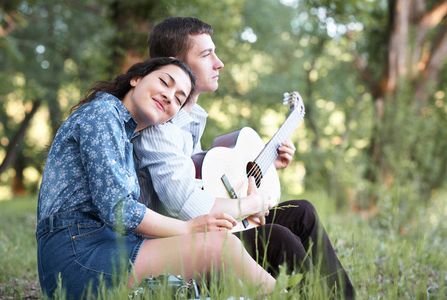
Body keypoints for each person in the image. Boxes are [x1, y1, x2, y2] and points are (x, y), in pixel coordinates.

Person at [133, 17, 355, 299]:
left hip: (210, 228)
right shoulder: (160, 127)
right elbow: (189, 207)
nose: (219, 63)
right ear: (175, 63)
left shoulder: (188, 121)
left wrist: (264, 169)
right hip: (179, 244)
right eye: (206, 54)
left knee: (302, 212)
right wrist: (251, 203)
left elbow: (204, 181)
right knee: (278, 237)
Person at [36, 57, 277, 299]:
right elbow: (119, 209)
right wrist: (188, 228)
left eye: (179, 98)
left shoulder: (125, 134)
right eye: (164, 82)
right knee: (221, 247)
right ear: (136, 78)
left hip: (107, 246)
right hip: (77, 255)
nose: (169, 96)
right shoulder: (103, 114)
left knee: (218, 252)